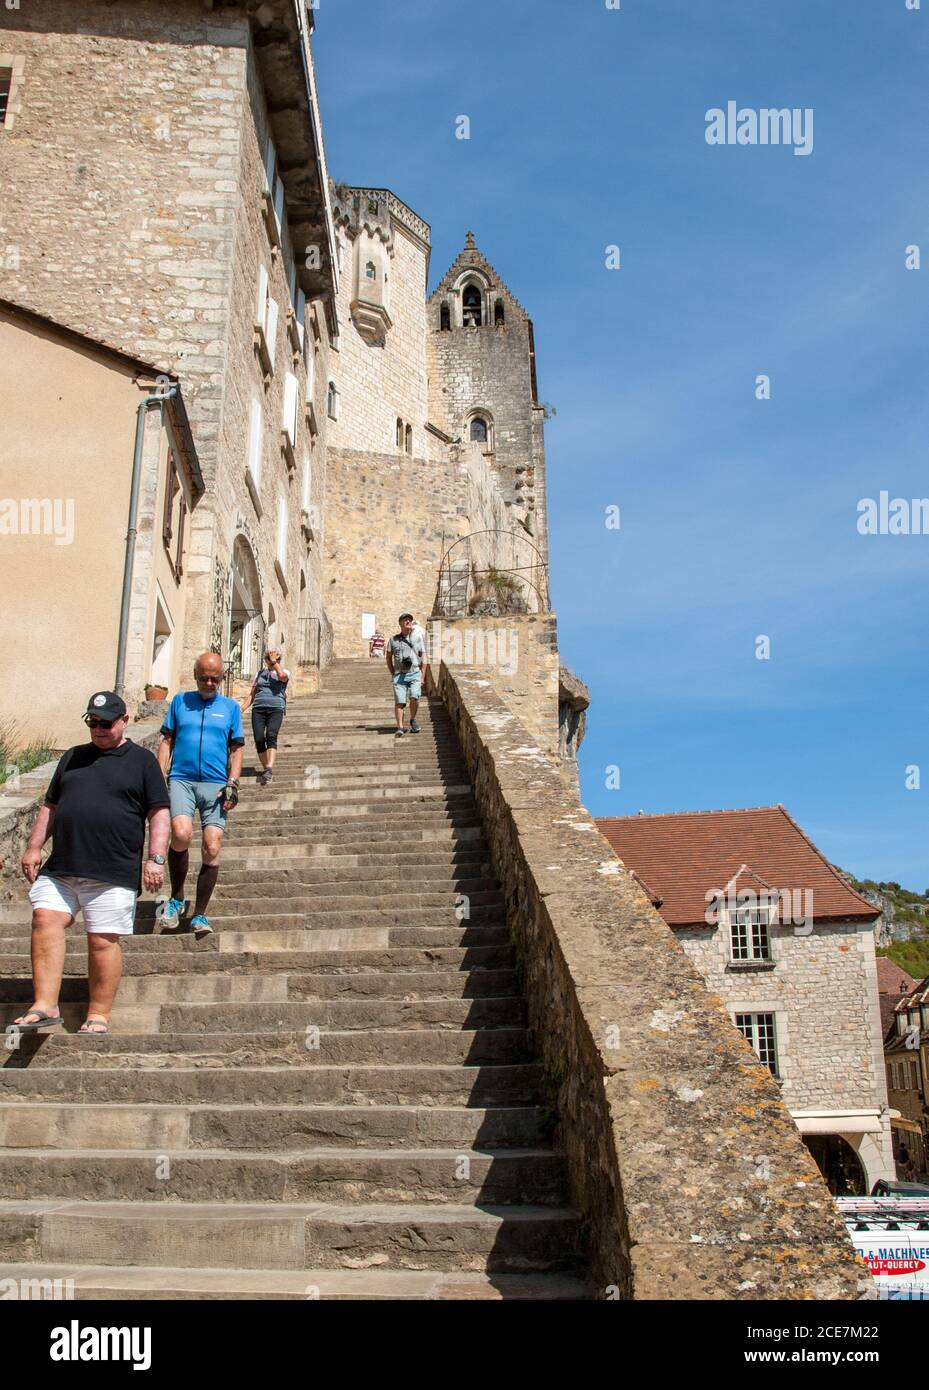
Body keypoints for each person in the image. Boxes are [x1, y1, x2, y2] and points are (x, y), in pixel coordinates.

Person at [13, 691, 170, 1035]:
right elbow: (50, 806)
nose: (98, 728)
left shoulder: (142, 762)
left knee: (101, 939)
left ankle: (99, 1013)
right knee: (44, 918)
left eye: (105, 723)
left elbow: (159, 811)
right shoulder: (72, 757)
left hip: (113, 868)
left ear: (124, 721)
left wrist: (156, 859)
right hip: (63, 865)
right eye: (92, 722)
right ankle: (44, 1004)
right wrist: (34, 847)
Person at [156, 651, 245, 935]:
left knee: (212, 846)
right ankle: (177, 898)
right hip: (181, 779)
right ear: (195, 676)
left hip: (216, 784)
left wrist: (233, 782)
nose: (209, 683)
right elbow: (167, 741)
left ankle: (200, 914)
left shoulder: (230, 708)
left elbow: (237, 749)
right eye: (204, 678)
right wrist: (159, 776)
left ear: (221, 678)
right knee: (181, 834)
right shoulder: (180, 702)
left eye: (215, 679)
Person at [240, 647, 290, 787]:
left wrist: (275, 663)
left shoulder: (284, 672)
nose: (273, 661)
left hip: (276, 709)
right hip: (258, 709)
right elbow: (252, 694)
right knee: (259, 739)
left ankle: (269, 767)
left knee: (271, 735)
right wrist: (241, 709)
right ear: (265, 660)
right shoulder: (259, 674)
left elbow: (282, 677)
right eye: (270, 658)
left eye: (277, 659)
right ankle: (266, 768)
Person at [385, 612, 429, 737]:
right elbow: (388, 658)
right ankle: (400, 727)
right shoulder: (393, 640)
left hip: (415, 673)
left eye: (410, 619)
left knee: (414, 697)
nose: (408, 621)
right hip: (399, 675)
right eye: (405, 620)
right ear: (400, 623)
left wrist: (422, 676)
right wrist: (393, 673)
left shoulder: (418, 638)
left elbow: (424, 658)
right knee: (399, 702)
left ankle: (413, 719)